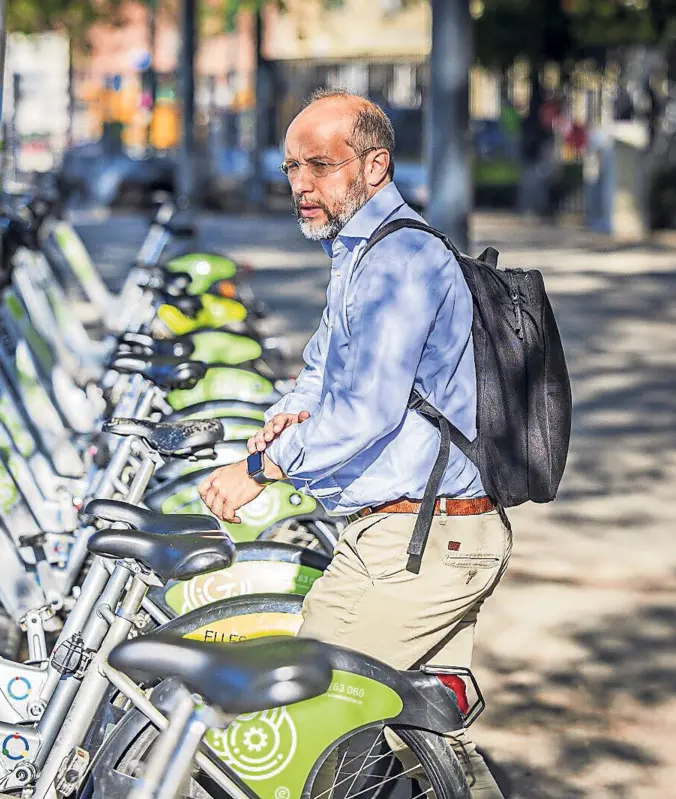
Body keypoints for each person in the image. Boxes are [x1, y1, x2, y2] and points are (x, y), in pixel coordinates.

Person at [197, 88, 508, 799]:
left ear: (375, 166)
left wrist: (262, 466)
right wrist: (282, 419)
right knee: (403, 754)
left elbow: (365, 406)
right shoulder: (362, 253)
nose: (301, 184)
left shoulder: (401, 262)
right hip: (416, 538)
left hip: (415, 547)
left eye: (319, 165)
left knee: (308, 737)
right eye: (289, 168)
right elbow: (321, 374)